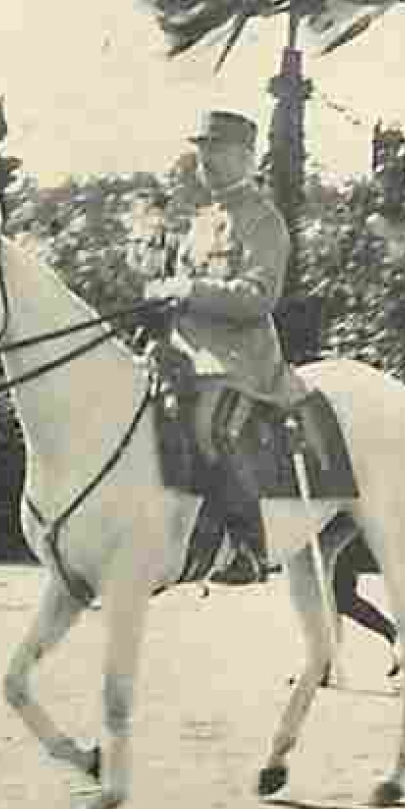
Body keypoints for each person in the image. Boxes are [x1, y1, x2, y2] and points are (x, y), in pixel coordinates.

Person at [144, 110, 297, 585]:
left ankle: (247, 546)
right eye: (203, 149)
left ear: (246, 159)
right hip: (182, 353)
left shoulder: (263, 221)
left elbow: (259, 297)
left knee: (211, 426)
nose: (205, 160)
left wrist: (187, 290)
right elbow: (175, 285)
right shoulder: (200, 220)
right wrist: (158, 293)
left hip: (238, 360)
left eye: (218, 150)